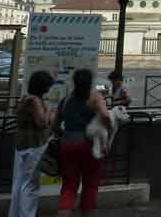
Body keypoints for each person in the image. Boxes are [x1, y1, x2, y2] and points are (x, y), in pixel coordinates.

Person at [55, 69, 111, 216]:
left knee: (69, 186)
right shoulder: (95, 98)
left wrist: (64, 135)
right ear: (90, 82)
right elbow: (105, 115)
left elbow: (55, 125)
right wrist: (107, 130)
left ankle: (63, 213)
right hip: (89, 145)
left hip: (67, 144)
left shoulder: (66, 99)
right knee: (90, 184)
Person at [9, 70, 54, 217]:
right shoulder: (35, 101)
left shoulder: (25, 99)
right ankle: (27, 214)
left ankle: (15, 213)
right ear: (42, 86)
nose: (48, 89)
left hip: (22, 145)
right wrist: (49, 110)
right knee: (31, 184)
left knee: (20, 182)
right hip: (34, 146)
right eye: (47, 86)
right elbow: (41, 122)